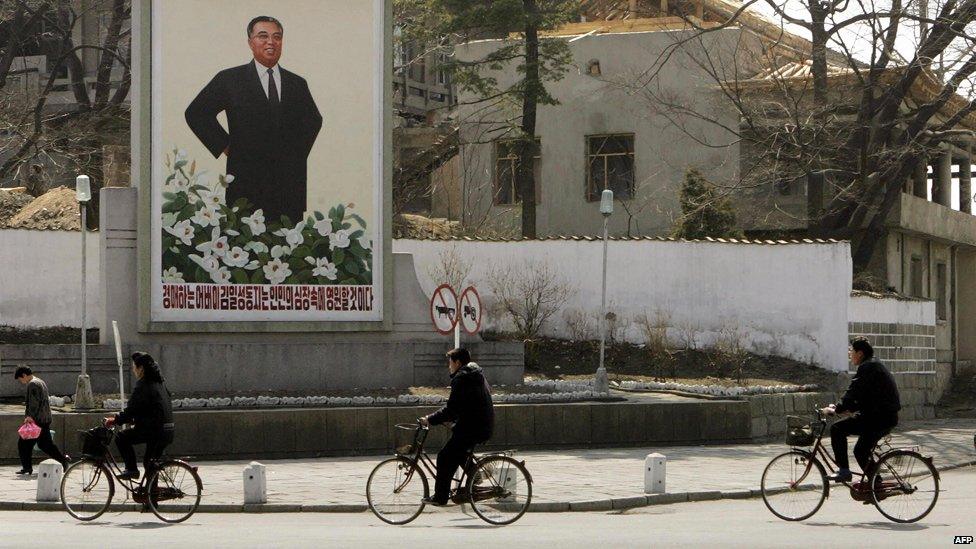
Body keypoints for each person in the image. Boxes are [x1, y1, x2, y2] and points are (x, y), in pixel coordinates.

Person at [185, 15, 322, 224]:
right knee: (243, 251)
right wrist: (228, 146)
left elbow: (313, 121)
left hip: (288, 188)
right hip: (246, 183)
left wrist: (293, 154)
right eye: (263, 36)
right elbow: (196, 113)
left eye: (277, 37)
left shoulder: (297, 84)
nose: (271, 42)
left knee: (288, 252)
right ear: (250, 42)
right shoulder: (230, 79)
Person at [419, 348, 494, 506]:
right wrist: (452, 420)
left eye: (450, 363)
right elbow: (467, 403)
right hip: (480, 424)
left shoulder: (462, 378)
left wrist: (430, 419)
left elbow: (451, 409)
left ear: (458, 362)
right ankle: (475, 473)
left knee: (444, 457)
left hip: (473, 427)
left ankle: (440, 497)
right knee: (457, 452)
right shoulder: (475, 373)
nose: (449, 366)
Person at [820, 338, 901, 483]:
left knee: (837, 429)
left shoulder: (867, 367)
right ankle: (875, 485)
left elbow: (854, 392)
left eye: (851, 351)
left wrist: (837, 408)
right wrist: (843, 408)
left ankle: (844, 471)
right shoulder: (873, 365)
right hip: (882, 416)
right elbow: (863, 395)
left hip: (879, 418)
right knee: (861, 451)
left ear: (860, 353)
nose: (850, 354)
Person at [105, 352, 175, 480]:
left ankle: (131, 469)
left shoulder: (144, 385)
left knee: (121, 437)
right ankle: (151, 495)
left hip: (155, 431)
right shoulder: (159, 383)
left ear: (141, 368)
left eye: (134, 367)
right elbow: (149, 408)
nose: (133, 370)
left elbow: (132, 409)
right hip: (167, 430)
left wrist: (115, 420)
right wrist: (136, 419)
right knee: (150, 464)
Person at [14, 367, 69, 475]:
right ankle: (62, 460)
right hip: (45, 418)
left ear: (24, 375)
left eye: (21, 379)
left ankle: (27, 467)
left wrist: (30, 417)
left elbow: (34, 403)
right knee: (45, 445)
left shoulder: (32, 384)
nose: (22, 382)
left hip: (37, 420)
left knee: (23, 443)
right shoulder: (40, 381)